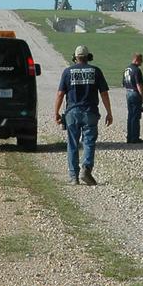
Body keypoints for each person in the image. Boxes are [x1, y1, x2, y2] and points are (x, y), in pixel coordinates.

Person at [54, 45, 113, 185]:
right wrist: (109, 112)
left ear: (75, 58)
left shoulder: (67, 72)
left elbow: (60, 94)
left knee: (72, 144)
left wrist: (56, 112)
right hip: (90, 112)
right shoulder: (95, 71)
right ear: (88, 57)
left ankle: (73, 176)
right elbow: (104, 93)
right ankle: (86, 169)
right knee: (88, 142)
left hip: (72, 113)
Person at [122, 52, 143, 143]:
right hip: (135, 93)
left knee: (130, 115)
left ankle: (129, 136)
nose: (142, 62)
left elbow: (123, 83)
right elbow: (138, 85)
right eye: (141, 60)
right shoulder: (136, 70)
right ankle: (135, 138)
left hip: (128, 92)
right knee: (136, 116)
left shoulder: (127, 69)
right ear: (136, 60)